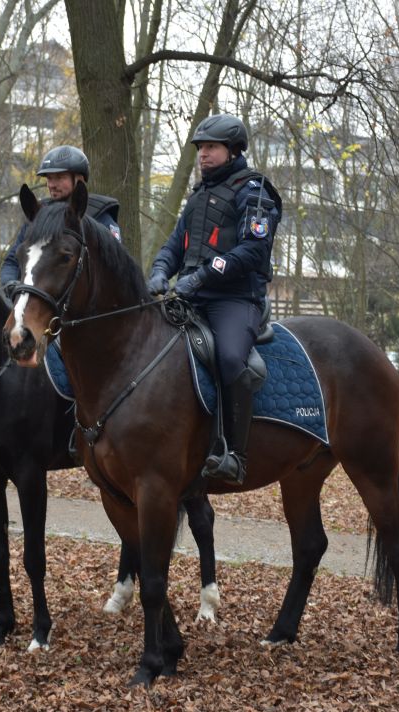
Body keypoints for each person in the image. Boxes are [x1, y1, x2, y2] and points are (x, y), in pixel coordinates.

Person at [147, 113, 282, 485]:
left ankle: (234, 455)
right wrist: (160, 271)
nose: (203, 154)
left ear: (233, 149)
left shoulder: (253, 191)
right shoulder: (199, 196)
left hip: (236, 300)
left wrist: (203, 275)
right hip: (192, 296)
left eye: (210, 147)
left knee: (229, 357)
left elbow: (254, 250)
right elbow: (175, 245)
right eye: (200, 148)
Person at [0, 145, 121, 294]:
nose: (52, 185)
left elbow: (115, 267)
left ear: (79, 179)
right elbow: (12, 261)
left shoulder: (101, 216)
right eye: (49, 178)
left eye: (59, 177)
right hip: (38, 303)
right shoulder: (40, 216)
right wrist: (10, 283)